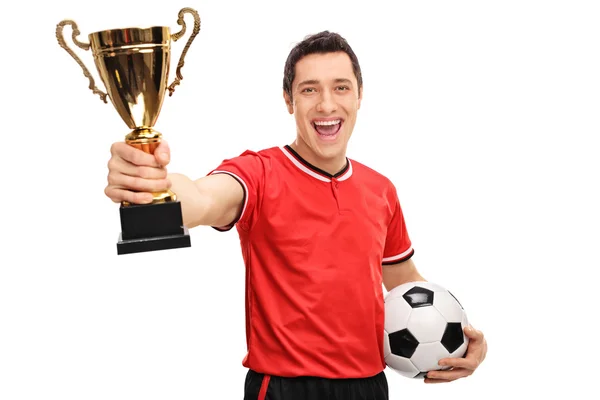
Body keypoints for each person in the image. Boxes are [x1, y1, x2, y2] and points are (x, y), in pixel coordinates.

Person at [104, 31, 487, 400]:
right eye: (309, 90)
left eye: (340, 87)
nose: (326, 105)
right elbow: (204, 199)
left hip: (369, 387)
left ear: (359, 96)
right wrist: (156, 183)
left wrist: (458, 337)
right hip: (283, 388)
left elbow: (403, 282)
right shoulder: (260, 172)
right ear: (289, 100)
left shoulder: (381, 189)